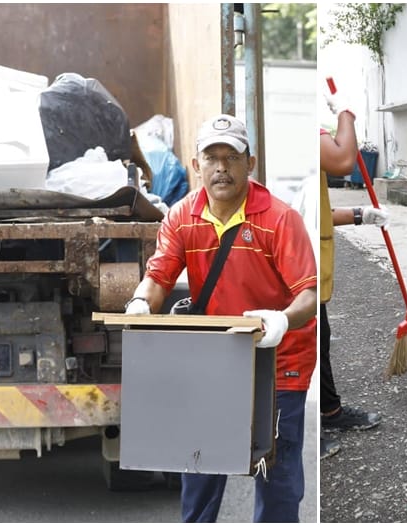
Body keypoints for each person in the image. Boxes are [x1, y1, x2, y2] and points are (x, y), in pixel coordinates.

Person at [124, 114, 318, 523]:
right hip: (214, 363)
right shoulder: (181, 217)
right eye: (211, 157)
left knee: (277, 479)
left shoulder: (280, 220)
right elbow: (158, 276)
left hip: (279, 365)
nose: (221, 167)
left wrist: (281, 321)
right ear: (196, 165)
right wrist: (141, 303)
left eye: (232, 156)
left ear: (251, 163)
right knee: (200, 472)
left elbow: (309, 294)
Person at [317, 93, 388, 459]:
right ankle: (301, 430)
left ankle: (329, 412)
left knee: (319, 340)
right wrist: (346, 113)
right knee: (301, 351)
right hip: (295, 264)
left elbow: (320, 212)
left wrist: (361, 214)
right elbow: (345, 160)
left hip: (313, 269)